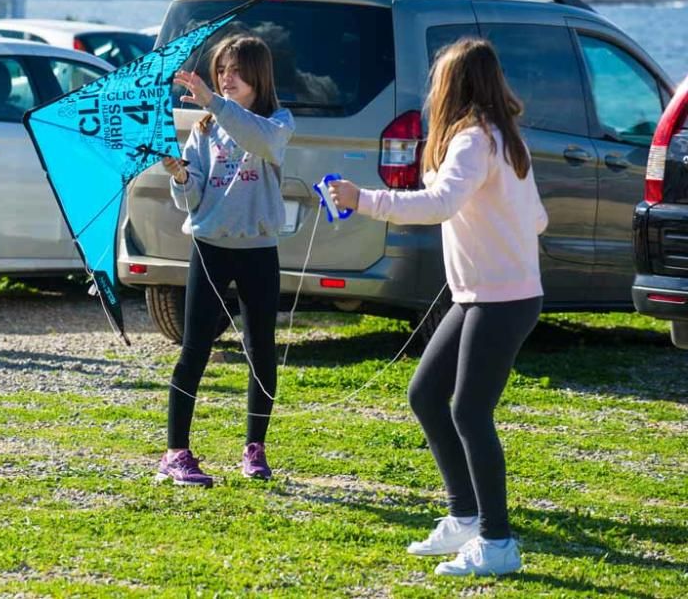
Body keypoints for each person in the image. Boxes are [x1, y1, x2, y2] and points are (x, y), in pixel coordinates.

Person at [329, 38, 547, 576]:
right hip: (485, 295)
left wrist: (364, 200)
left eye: (437, 81)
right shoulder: (502, 137)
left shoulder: (475, 139)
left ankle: (498, 544)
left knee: (470, 412)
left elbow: (441, 204)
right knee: (426, 393)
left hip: (501, 299)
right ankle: (465, 518)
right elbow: (537, 218)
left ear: (452, 86)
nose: (432, 91)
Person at [155, 35, 295, 488]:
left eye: (235, 71)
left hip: (258, 250)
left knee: (260, 350)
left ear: (258, 76)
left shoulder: (277, 122)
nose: (225, 78)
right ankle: (175, 452)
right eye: (220, 71)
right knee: (194, 347)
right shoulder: (203, 127)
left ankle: (255, 448)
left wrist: (215, 101)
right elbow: (193, 196)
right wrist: (181, 177)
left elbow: (259, 139)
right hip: (210, 248)